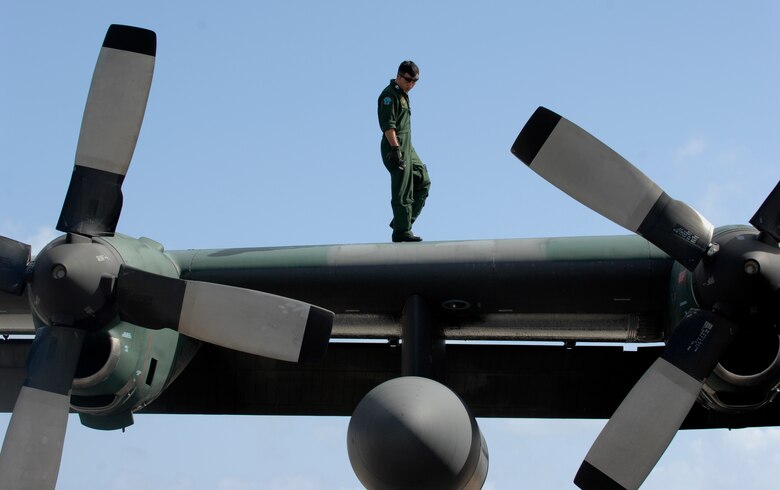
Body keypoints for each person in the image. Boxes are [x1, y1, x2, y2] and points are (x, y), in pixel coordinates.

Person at [378, 60, 431, 243]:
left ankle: (402, 222)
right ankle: (401, 231)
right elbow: (388, 126)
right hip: (395, 145)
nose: (412, 84)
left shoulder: (403, 94)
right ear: (399, 76)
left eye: (415, 81)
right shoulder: (389, 96)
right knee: (403, 189)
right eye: (409, 80)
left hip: (408, 146)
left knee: (423, 180)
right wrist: (395, 149)